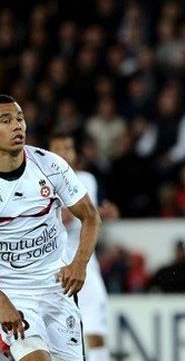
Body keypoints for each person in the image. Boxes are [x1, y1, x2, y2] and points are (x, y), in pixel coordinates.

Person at [0, 94, 100, 361]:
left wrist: (79, 263)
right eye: (6, 120)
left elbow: (90, 216)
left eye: (19, 118)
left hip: (57, 289)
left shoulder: (50, 165)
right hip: (13, 293)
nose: (17, 126)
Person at [48, 132, 119, 361]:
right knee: (58, 339)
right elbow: (71, 216)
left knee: (95, 333)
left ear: (74, 153)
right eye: (57, 149)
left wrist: (102, 212)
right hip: (53, 270)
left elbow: (78, 216)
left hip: (86, 266)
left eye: (67, 148)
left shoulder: (85, 179)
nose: (63, 154)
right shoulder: (37, 184)